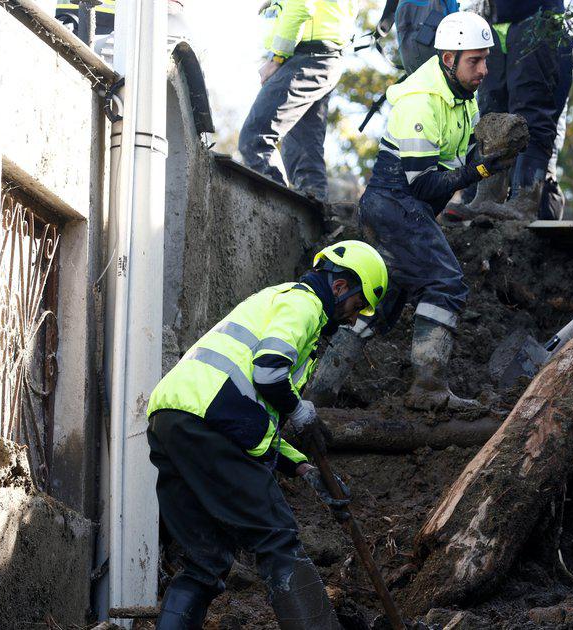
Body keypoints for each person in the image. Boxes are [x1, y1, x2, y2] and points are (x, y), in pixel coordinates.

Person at [145, 241, 388, 629]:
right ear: (341, 287)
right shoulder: (304, 304)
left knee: (205, 563)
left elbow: (254, 414)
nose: (349, 318)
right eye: (357, 306)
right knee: (276, 537)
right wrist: (301, 412)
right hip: (214, 423)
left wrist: (304, 468)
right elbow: (270, 372)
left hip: (174, 421)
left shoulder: (273, 301)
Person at [308, 12, 523, 412]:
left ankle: (319, 392)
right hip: (394, 204)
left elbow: (455, 160)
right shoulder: (420, 101)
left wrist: (492, 152)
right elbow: (423, 183)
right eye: (474, 61)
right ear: (448, 60)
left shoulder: (462, 97)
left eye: (485, 59)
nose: (484, 70)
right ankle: (427, 388)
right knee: (447, 283)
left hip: (402, 208)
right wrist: (479, 168)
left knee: (381, 306)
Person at [238, 0, 359, 200]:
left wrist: (276, 58)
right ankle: (316, 225)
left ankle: (275, 215)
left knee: (254, 139)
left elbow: (300, 5)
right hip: (324, 58)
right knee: (304, 158)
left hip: (308, 57)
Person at [475, 0, 573, 219]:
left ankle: (525, 199)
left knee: (531, 109)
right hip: (492, 23)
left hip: (537, 17)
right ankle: (488, 196)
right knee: (491, 113)